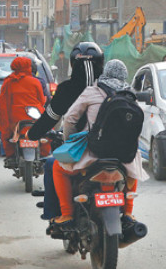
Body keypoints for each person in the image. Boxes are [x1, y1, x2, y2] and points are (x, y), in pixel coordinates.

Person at [49, 59, 148, 233]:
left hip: (92, 153)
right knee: (134, 167)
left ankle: (67, 215)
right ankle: (128, 213)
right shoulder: (130, 95)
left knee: (57, 167)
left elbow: (70, 120)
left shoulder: (92, 91)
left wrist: (70, 142)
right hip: (123, 157)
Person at [27, 42, 105, 221]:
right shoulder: (111, 88)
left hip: (81, 150)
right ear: (102, 63)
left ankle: (56, 214)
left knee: (52, 165)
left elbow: (51, 118)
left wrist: (32, 134)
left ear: (71, 64)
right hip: (113, 150)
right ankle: (129, 214)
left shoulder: (66, 89)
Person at [0, 56, 46, 159]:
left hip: (14, 120)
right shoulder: (35, 82)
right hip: (34, 116)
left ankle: (10, 155)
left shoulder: (8, 82)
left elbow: (4, 103)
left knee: (6, 134)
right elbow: (42, 101)